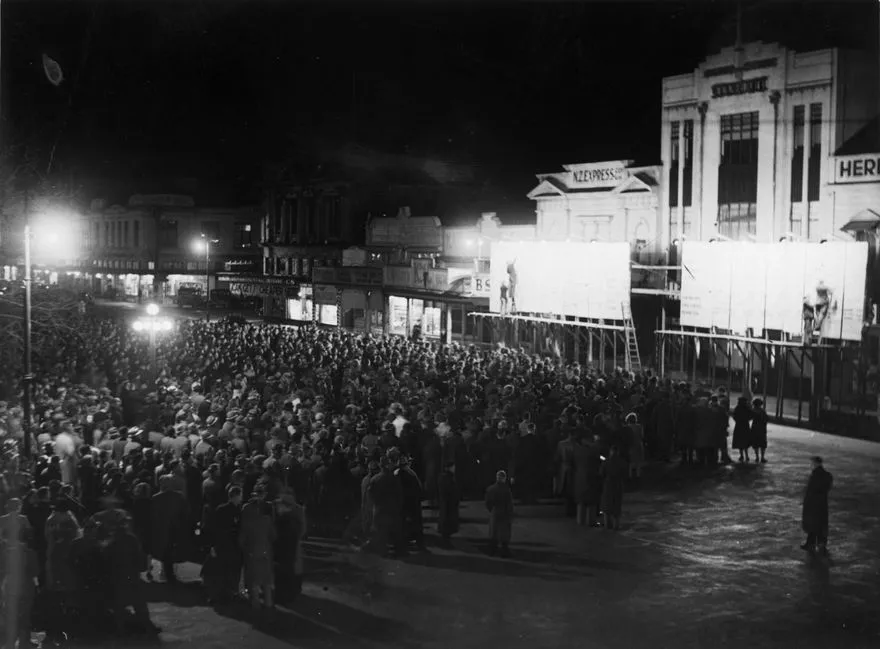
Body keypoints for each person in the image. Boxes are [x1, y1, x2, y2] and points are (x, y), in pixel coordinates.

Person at [202, 485, 244, 605]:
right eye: (240, 495)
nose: (241, 498)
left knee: (221, 569)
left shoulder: (221, 509)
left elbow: (213, 528)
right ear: (235, 496)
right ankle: (227, 593)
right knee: (228, 570)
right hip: (230, 545)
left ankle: (219, 593)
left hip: (222, 544)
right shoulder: (237, 510)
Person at [801, 456, 833, 556]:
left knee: (813, 523)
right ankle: (817, 543)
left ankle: (813, 543)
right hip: (821, 503)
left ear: (815, 463)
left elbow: (812, 490)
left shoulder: (815, 475)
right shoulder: (827, 475)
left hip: (813, 504)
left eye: (811, 463)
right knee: (818, 523)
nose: (810, 466)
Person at [484, 470, 514, 557]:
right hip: (504, 513)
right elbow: (509, 503)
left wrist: (491, 509)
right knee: (504, 533)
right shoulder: (506, 490)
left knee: (494, 532)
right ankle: (505, 551)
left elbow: (487, 502)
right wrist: (510, 513)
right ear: (504, 478)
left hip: (495, 512)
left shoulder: (490, 489)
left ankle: (492, 551)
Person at [599, 446, 627, 530]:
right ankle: (616, 525)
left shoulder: (606, 462)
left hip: (608, 484)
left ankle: (607, 525)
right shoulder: (622, 462)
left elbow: (601, 473)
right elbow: (625, 475)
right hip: (618, 484)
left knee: (607, 506)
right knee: (616, 505)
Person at [437, 461, 460, 548]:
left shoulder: (444, 477)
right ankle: (445, 542)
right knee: (447, 522)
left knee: (446, 521)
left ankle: (446, 540)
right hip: (448, 504)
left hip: (447, 503)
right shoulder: (447, 478)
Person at [731, 397, 753, 463]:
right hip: (745, 426)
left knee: (739, 441)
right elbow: (751, 416)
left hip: (738, 426)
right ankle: (746, 455)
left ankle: (741, 455)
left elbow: (734, 416)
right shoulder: (747, 408)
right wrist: (747, 420)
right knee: (745, 441)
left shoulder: (737, 408)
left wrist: (738, 421)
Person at [750, 399, 768, 463]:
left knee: (756, 444)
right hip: (762, 429)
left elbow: (750, 418)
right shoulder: (762, 411)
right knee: (762, 444)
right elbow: (766, 420)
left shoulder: (753, 411)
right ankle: (762, 457)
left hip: (754, 428)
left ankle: (757, 457)